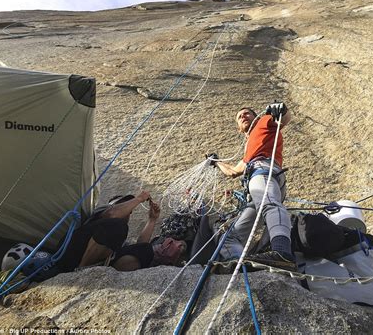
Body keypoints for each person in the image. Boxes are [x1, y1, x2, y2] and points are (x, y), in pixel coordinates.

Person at [212, 103, 295, 270]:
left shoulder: (263, 123)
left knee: (270, 205)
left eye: (247, 113)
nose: (243, 116)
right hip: (257, 178)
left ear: (256, 117)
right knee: (229, 237)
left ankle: (282, 252)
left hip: (263, 171)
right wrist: (216, 162)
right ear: (238, 129)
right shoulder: (250, 148)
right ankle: (241, 265)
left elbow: (284, 119)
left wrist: (281, 109)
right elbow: (234, 172)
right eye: (239, 116)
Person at [57, 191, 186, 272]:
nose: (129, 212)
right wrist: (139, 199)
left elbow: (139, 245)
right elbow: (113, 214)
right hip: (70, 256)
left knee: (145, 249)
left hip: (99, 259)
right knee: (117, 226)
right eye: (125, 206)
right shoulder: (103, 213)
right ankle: (82, 270)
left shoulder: (117, 236)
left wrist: (152, 220)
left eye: (129, 211)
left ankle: (109, 274)